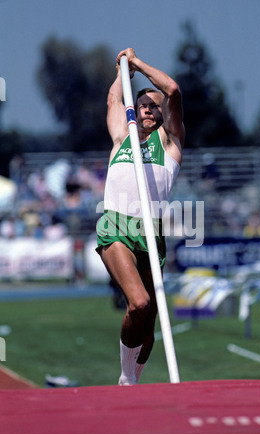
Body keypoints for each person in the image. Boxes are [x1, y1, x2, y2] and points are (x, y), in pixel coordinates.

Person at [96, 48, 185, 385]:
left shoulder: (170, 142)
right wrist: (123, 73)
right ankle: (125, 379)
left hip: (152, 235)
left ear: (162, 115)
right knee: (139, 303)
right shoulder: (122, 138)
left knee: (148, 330)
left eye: (154, 105)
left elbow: (173, 90)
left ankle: (133, 383)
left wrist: (138, 65)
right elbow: (112, 100)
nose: (148, 108)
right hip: (116, 226)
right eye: (142, 104)